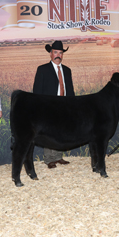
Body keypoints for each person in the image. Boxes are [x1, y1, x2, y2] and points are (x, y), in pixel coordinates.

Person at [33, 40, 75, 169]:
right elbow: (37, 90)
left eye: (61, 53)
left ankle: (58, 157)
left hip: (64, 106)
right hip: (48, 107)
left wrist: (72, 106)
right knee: (49, 133)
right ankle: (49, 159)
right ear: (50, 54)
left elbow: (70, 90)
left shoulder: (67, 70)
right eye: (55, 52)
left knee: (61, 132)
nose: (58, 55)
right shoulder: (42, 69)